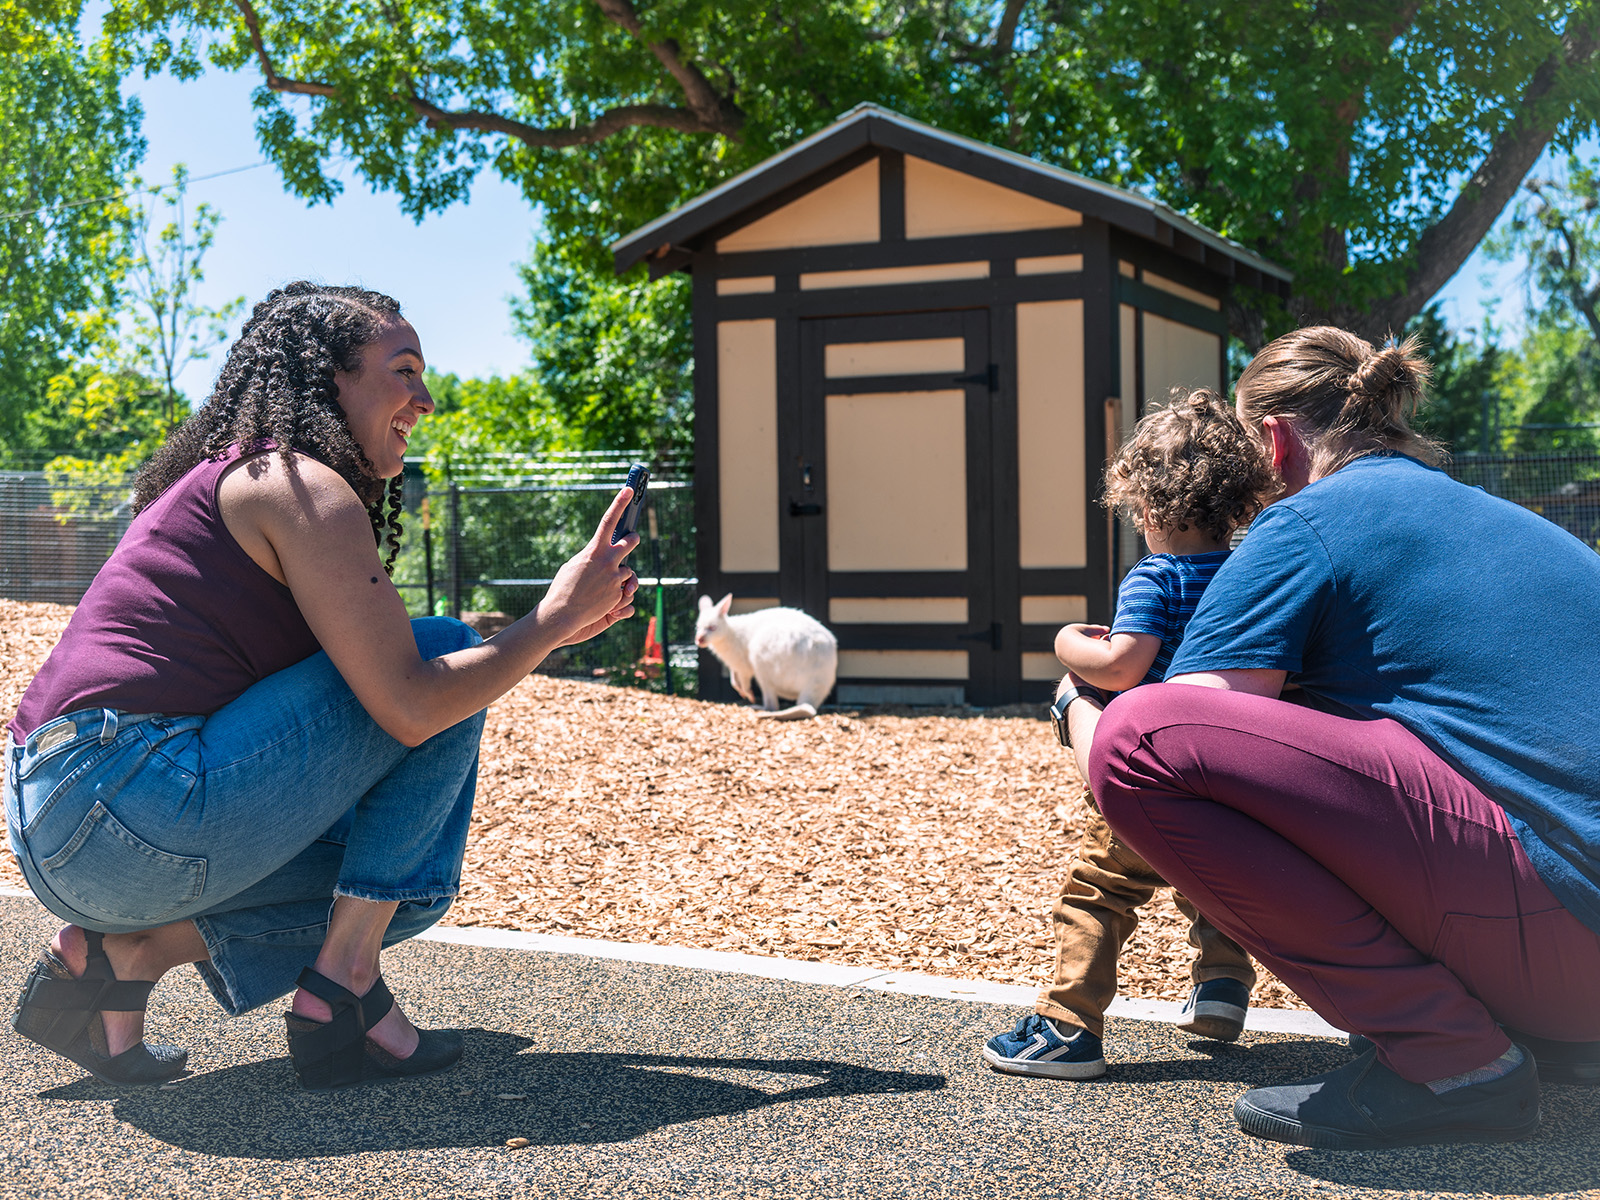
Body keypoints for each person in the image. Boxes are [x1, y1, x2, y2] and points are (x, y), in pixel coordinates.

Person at [6, 283, 641, 1091]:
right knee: (440, 655)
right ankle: (341, 989)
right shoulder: (293, 482)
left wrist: (550, 627)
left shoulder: (228, 478)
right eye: (402, 371)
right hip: (126, 799)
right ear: (327, 379)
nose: (426, 399)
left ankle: (119, 962)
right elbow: (409, 703)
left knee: (401, 879)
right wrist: (548, 621)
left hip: (64, 822)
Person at [1058, 326, 1600, 1149]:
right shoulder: (1504, 518)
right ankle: (1544, 1039)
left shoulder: (1305, 523)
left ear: (1273, 441)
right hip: (1573, 943)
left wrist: (1075, 708)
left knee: (1138, 736)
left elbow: (1185, 742)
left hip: (1561, 938)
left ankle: (1447, 1056)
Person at [984, 390, 1272, 1080]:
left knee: (1100, 888)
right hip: (1230, 766)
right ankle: (1224, 986)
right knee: (1212, 874)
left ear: (1145, 505)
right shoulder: (1248, 572)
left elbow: (1124, 664)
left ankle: (1067, 1026)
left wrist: (1066, 645)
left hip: (1154, 769)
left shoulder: (1157, 575)